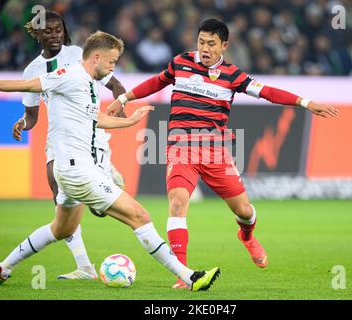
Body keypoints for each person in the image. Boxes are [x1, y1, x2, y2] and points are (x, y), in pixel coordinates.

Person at [0, 30, 220, 291]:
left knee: (60, 229)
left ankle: (3, 267)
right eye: (112, 61)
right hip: (79, 172)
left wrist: (129, 121)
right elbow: (23, 85)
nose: (113, 67)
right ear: (96, 57)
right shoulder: (69, 76)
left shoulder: (85, 83)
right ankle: (190, 277)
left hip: (72, 170)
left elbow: (95, 118)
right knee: (140, 215)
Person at [110, 19, 339, 289]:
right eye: (201, 42)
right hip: (180, 147)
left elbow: (267, 92)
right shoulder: (180, 63)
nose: (204, 49)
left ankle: (247, 236)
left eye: (211, 44)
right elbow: (157, 82)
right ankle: (182, 274)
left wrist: (305, 102)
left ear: (224, 45)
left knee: (244, 211)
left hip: (214, 152)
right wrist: (123, 98)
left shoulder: (233, 76)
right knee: (177, 202)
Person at [11, 10, 126, 281]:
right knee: (58, 194)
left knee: (99, 207)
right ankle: (85, 267)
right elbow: (32, 117)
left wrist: (120, 103)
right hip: (59, 136)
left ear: (64, 32)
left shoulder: (78, 55)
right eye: (48, 30)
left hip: (89, 130)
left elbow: (116, 84)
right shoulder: (33, 70)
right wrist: (22, 124)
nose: (54, 35)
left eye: (58, 30)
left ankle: (104, 170)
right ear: (38, 34)